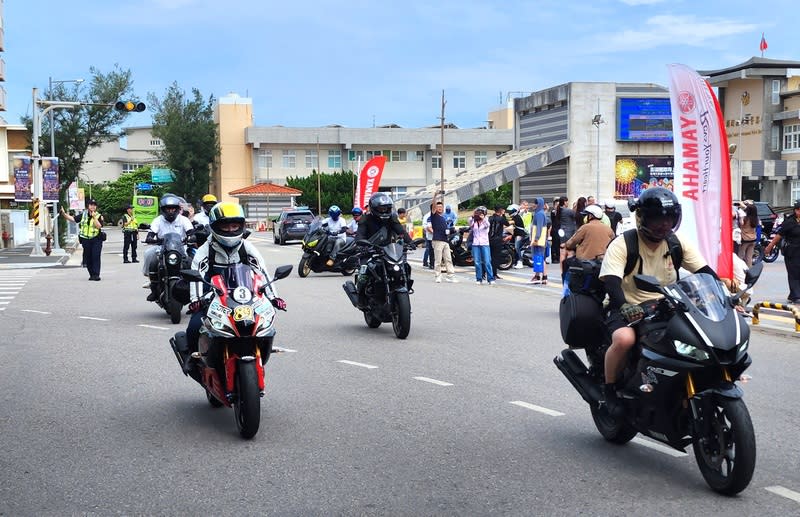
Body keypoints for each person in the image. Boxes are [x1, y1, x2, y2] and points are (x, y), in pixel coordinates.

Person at [598, 187, 717, 417]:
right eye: (657, 219)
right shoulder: (624, 243)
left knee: (696, 337)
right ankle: (610, 388)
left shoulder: (676, 243)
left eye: (669, 218)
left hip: (666, 305)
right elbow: (611, 281)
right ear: (643, 218)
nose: (664, 224)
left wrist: (722, 291)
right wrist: (623, 305)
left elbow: (704, 272)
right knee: (624, 339)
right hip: (626, 305)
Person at [184, 202, 285, 365]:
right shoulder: (205, 250)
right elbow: (196, 275)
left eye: (234, 225)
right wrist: (196, 301)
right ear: (215, 227)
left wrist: (274, 297)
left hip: (244, 296)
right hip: (213, 298)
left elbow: (262, 272)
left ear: (241, 226)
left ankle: (260, 350)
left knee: (264, 324)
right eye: (225, 226)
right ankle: (192, 359)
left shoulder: (247, 247)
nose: (231, 230)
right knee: (194, 326)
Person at [355, 193, 414, 300]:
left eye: (387, 208)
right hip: (369, 249)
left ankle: (404, 286)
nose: (384, 210)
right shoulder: (365, 219)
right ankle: (361, 298)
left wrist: (410, 242)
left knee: (404, 266)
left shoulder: (392, 218)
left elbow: (401, 232)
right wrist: (361, 244)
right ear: (374, 208)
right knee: (363, 274)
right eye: (381, 208)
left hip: (388, 250)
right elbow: (360, 235)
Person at [142, 194, 195, 301]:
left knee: (192, 261)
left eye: (173, 209)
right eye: (168, 209)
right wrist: (151, 239)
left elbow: (191, 233)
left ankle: (193, 289)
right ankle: (153, 285)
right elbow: (150, 235)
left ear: (177, 209)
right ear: (163, 210)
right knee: (149, 254)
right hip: (161, 247)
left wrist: (191, 238)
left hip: (181, 248)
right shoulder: (158, 220)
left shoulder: (184, 220)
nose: (170, 211)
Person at [60, 199, 104, 281]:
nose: (93, 206)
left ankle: (96, 274)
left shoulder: (99, 216)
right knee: (88, 257)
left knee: (96, 256)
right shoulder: (83, 215)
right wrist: (64, 214)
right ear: (88, 206)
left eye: (94, 205)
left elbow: (99, 226)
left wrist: (94, 217)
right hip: (85, 240)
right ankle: (91, 274)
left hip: (96, 239)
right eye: (91, 205)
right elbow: (73, 219)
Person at [765, 200, 800, 304]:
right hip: (791, 251)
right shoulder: (789, 222)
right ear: (795, 210)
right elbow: (779, 235)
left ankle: (794, 294)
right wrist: (770, 246)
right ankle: (795, 295)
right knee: (793, 273)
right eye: (798, 210)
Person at [428, 200, 458, 283]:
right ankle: (438, 276)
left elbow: (445, 230)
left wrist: (449, 230)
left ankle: (450, 275)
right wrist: (435, 196)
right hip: (437, 240)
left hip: (445, 240)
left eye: (441, 207)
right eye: (438, 207)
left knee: (448, 259)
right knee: (438, 260)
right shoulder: (434, 216)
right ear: (435, 208)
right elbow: (433, 206)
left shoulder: (443, 218)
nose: (440, 208)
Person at [467, 206, 494, 285]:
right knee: (477, 262)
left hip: (485, 243)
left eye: (480, 213)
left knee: (487, 261)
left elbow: (487, 225)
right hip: (475, 244)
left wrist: (482, 219)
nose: (479, 215)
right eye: (478, 213)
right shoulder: (474, 221)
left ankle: (490, 278)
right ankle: (479, 278)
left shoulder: (486, 220)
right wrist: (474, 216)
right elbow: (470, 224)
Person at [528, 198, 548, 284]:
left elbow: (539, 228)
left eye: (535, 203)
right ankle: (540, 276)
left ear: (538, 204)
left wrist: (536, 239)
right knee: (539, 258)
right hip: (540, 240)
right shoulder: (540, 213)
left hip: (539, 240)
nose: (533, 205)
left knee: (539, 257)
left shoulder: (539, 214)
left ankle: (541, 276)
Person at [488, 204, 510, 280]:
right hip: (497, 241)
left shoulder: (490, 218)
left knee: (490, 257)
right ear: (500, 210)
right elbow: (507, 223)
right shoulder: (500, 219)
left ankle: (490, 273)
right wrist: (503, 215)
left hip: (489, 240)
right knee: (496, 258)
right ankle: (494, 274)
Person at [508, 204, 527, 269]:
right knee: (512, 246)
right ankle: (515, 261)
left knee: (516, 247)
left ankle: (520, 262)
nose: (509, 212)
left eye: (511, 211)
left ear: (515, 211)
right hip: (516, 234)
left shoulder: (517, 217)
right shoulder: (514, 217)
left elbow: (511, 222)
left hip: (520, 235)